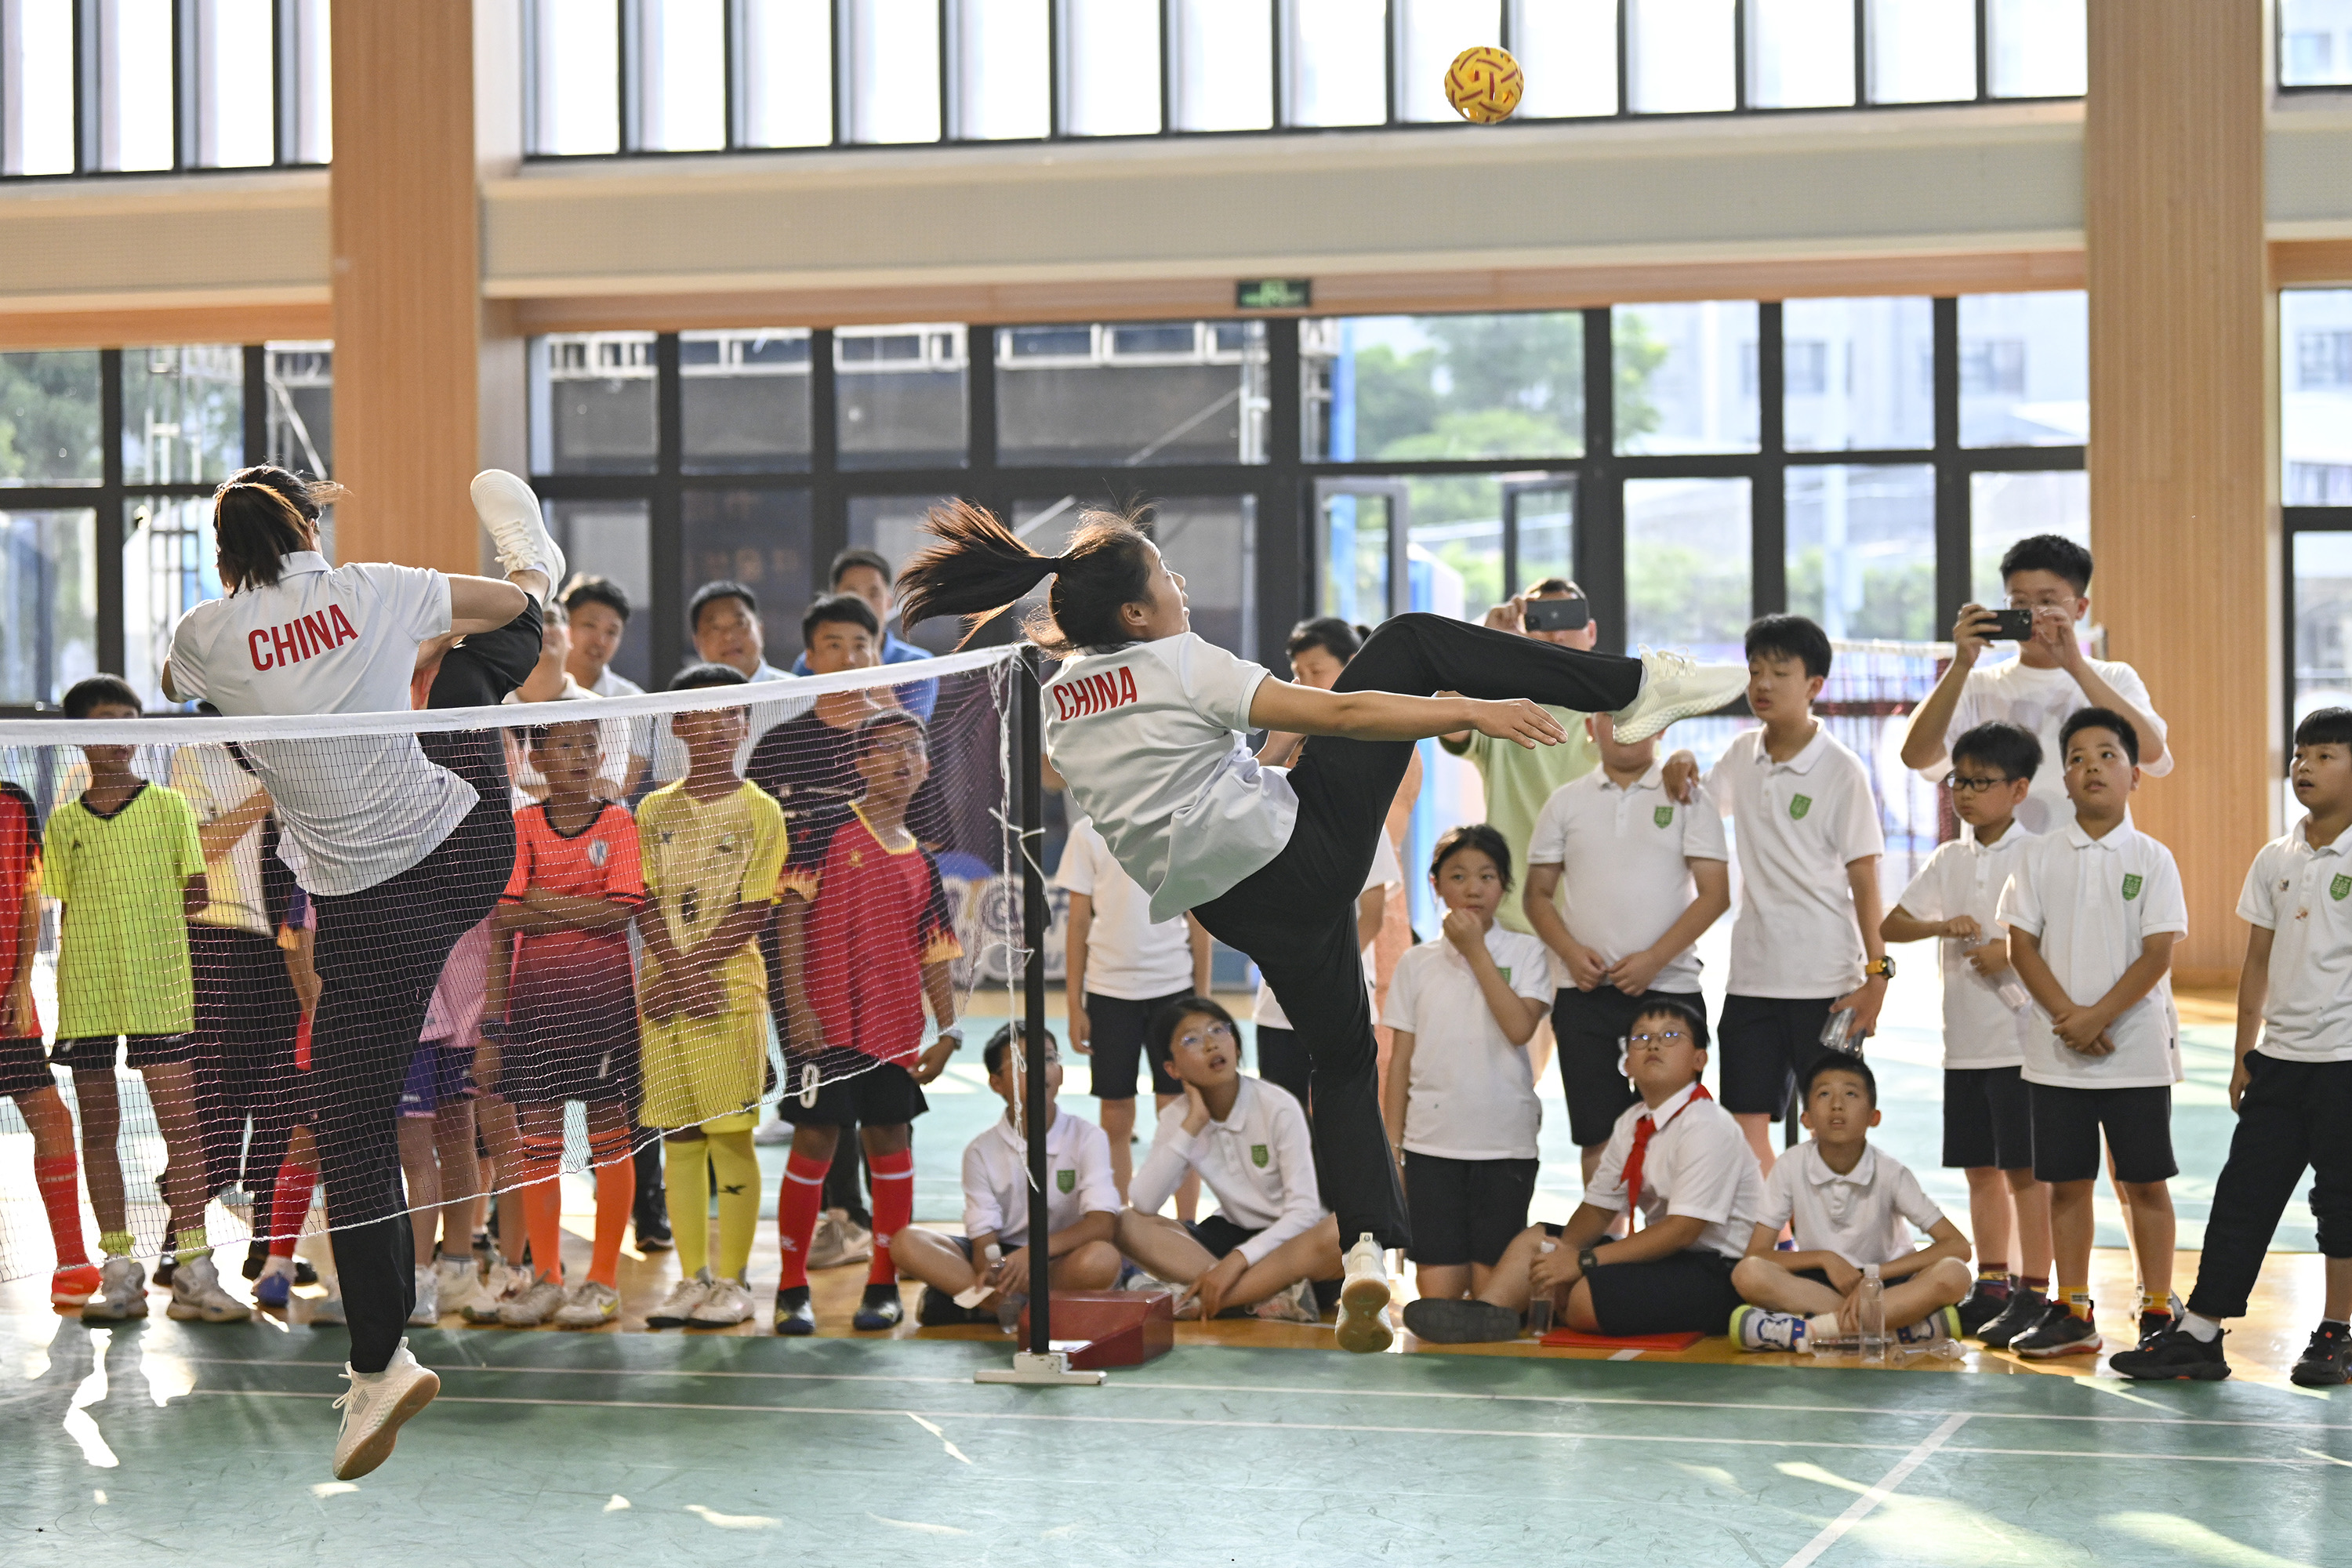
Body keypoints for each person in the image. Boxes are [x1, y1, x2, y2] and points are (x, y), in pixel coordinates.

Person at [894, 500, 1743, 1301]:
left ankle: (1368, 1244)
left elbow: (1187, 781)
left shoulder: (1061, 706)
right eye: (1165, 577)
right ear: (1135, 617)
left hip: (1238, 907)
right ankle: (1635, 687)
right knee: (1408, 640)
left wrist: (1268, 753)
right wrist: (1471, 708)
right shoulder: (1179, 659)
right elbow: (1349, 708)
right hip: (1302, 856)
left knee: (1340, 1058)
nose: (1180, 587)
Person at [162, 462, 561, 1478]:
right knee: (482, 664)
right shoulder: (375, 586)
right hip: (466, 850)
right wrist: (338, 561)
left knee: (350, 1125)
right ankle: (541, 552)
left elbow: (176, 687)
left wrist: (282, 568)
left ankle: (380, 1363)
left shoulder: (203, 633)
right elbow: (507, 616)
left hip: (369, 905)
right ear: (308, 531)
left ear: (222, 557)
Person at [2115, 708, 2352, 1386]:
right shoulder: (2276, 857)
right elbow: (2256, 965)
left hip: (2344, 1064)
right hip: (2279, 1062)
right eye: (2300, 754)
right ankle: (2201, 1331)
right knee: (2242, 1193)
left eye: (2326, 755)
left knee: (2341, 1201)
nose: (2304, 766)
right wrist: (2244, 1053)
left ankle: (2339, 1330)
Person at [48, 676, 244, 1326]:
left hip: (161, 986)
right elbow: (65, 902)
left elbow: (194, 894)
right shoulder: (64, 821)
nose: (121, 735)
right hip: (87, 993)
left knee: (183, 1129)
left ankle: (192, 1267)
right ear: (78, 735)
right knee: (98, 1130)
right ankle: (119, 1271)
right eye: (105, 722)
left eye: (130, 720)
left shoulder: (168, 809)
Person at [748, 593, 938, 1255]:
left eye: (863, 643)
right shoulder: (780, 744)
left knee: (888, 1106)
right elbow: (758, 842)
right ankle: (840, 1218)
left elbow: (928, 846)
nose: (850, 655)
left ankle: (895, 1244)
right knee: (819, 1109)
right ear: (809, 657)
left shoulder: (904, 742)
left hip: (885, 958)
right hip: (801, 946)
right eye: (834, 643)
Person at [1995, 706, 2186, 1359]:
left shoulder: (2153, 859)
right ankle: (2073, 1308)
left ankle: (2158, 1305)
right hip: (2058, 1058)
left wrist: (2097, 1017)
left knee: (2144, 1183)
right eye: (2077, 758)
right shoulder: (2039, 855)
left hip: (2133, 1053)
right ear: (2065, 781)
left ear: (2135, 773)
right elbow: (2021, 946)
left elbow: (2158, 954)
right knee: (2068, 1183)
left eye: (2107, 755)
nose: (2092, 767)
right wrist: (2067, 1020)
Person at [1402, 999, 1764, 1343]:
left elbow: (1682, 1231)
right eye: (1641, 1037)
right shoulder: (1632, 1123)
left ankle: (1548, 1306)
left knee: (1586, 1298)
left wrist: (1582, 1261)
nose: (1654, 1044)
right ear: (1626, 1064)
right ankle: (1488, 1315)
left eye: (1671, 1036)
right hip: (1668, 1261)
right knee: (1537, 1241)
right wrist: (1562, 1254)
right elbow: (1597, 1209)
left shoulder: (1707, 1124)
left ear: (1699, 1059)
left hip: (1717, 1270)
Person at [771, 710, 964, 1335]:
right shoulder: (826, 829)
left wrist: (949, 1032)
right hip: (824, 1027)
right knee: (816, 1141)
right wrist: (796, 1004)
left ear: (927, 768)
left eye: (913, 749)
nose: (902, 760)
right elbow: (791, 917)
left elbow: (937, 954)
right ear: (860, 763)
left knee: (889, 1141)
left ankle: (882, 1283)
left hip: (894, 1030)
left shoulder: (925, 863)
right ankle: (791, 1286)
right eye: (886, 749)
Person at [1880, 720, 2055, 1345]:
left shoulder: (2040, 853)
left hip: (2022, 1043)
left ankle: (2038, 1289)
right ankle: (1995, 1283)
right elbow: (1891, 924)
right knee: (1981, 1170)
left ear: (2019, 789)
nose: (1966, 793)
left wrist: (2011, 949)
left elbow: (2062, 936)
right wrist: (1939, 927)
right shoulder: (1949, 858)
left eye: (1982, 782)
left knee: (2025, 1174)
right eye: (1960, 780)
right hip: (1965, 1046)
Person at [1695, 615, 1890, 1170]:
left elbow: (1866, 883)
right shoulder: (1740, 756)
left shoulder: (1841, 771)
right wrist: (1680, 765)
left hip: (1826, 979)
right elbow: (1695, 811)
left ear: (1814, 686)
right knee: (1744, 1120)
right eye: (1755, 670)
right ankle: (1773, 1240)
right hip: (1753, 977)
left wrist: (1878, 979)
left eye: (1780, 672)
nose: (1762, 684)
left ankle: (1825, 1243)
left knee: (1833, 1121)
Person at [633, 663, 787, 1333]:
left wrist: (694, 974)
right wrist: (672, 974)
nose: (716, 723)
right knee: (680, 1136)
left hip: (730, 991)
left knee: (731, 1138)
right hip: (662, 994)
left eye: (730, 711)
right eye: (701, 712)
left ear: (744, 722)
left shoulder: (762, 811)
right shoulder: (652, 809)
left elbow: (755, 907)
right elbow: (642, 900)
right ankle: (691, 1280)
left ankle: (734, 1280)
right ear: (678, 724)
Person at [482, 719, 645, 1329]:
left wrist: (538, 902)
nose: (579, 755)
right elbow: (503, 926)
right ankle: (547, 1277)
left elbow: (617, 917)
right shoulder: (522, 825)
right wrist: (494, 1026)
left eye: (587, 744)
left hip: (602, 1007)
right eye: (564, 745)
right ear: (538, 757)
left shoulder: (620, 822)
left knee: (610, 1138)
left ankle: (602, 1281)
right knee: (539, 1144)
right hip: (533, 1007)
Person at [1524, 710, 1730, 1185]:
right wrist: (1572, 955)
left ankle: (1668, 1244)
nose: (1623, 727)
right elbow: (1536, 896)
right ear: (1590, 730)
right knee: (1598, 1135)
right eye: (1610, 718)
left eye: (1638, 717)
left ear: (1661, 727)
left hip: (1669, 989)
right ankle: (1605, 1251)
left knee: (1678, 1129)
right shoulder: (1564, 804)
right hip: (1583, 993)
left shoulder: (1688, 797)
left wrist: (1655, 959)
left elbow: (1716, 894)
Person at [1115, 996, 1366, 1337]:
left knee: (1344, 1233)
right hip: (1231, 1237)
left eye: (1219, 1029)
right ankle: (1260, 1299)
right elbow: (1143, 1203)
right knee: (1125, 1222)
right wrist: (1195, 1123)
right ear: (1172, 1069)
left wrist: (1237, 1262)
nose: (1211, 1043)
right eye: (1191, 1039)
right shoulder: (1179, 1117)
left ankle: (1206, 1298)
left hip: (1293, 1245)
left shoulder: (1276, 1105)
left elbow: (1305, 1212)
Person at [1379, 825, 1552, 1305]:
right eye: (1457, 876)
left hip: (1504, 1144)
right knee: (1437, 1299)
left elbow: (1519, 1028)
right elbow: (1400, 1063)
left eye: (1487, 876)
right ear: (1435, 884)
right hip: (1433, 1145)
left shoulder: (1527, 951)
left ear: (1504, 886)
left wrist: (1476, 952)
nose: (1473, 888)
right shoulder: (1416, 963)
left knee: (1493, 1299)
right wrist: (1394, 1149)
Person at [1899, 534, 2171, 837]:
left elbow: (2152, 754)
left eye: (2047, 602)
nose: (2032, 615)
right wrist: (1961, 663)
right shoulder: (1977, 684)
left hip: (2089, 861)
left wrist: (2076, 667)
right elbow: (1915, 756)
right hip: (1999, 866)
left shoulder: (2114, 678)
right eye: (2019, 604)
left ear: (2080, 608)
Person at [1260, 617, 1418, 1087]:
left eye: (1316, 671)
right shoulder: (1295, 742)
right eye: (1296, 672)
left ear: (1352, 667)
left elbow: (1369, 837)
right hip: (1307, 918)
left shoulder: (1390, 740)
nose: (1303, 684)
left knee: (1378, 1071)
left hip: (1371, 904)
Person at [1728, 1054, 1974, 1352]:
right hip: (1821, 1284)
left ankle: (1818, 1330)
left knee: (1954, 1273)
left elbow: (1958, 1246)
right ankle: (1897, 1332)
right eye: (1823, 1094)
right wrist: (1825, 1259)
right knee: (1748, 1273)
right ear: (1806, 1118)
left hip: (1888, 1283)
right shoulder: (1791, 1164)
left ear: (1874, 1117)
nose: (1837, 1104)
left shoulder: (1891, 1172)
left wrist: (1874, 1276)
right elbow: (1757, 1253)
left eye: (1851, 1093)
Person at [897, 1022, 1123, 1326]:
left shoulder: (1088, 1137)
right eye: (1022, 1063)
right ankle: (1008, 1305)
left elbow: (1102, 1225)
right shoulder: (980, 1151)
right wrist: (993, 1266)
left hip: (1060, 1255)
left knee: (1102, 1260)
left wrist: (1034, 1254)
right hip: (1004, 1258)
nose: (1041, 1070)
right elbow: (983, 1238)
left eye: (1049, 1059)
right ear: (996, 1083)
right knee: (905, 1242)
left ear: (1061, 1073)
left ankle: (978, 1306)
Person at [1432, 580, 1608, 938]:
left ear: (1591, 632)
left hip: (1593, 919)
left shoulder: (1612, 714)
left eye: (1569, 619)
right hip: (1514, 920)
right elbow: (1445, 716)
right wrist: (1486, 641)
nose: (1557, 633)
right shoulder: (1502, 710)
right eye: (1543, 621)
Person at [1057, 811, 1212, 1200]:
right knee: (1115, 1115)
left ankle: (1187, 1227)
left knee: (1179, 1113)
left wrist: (1202, 1000)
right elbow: (1077, 922)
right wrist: (1075, 1004)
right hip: (1110, 992)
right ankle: (1122, 1226)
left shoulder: (1178, 826)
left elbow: (1199, 917)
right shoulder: (1087, 833)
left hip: (1173, 989)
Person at [0, 775, 100, 1309]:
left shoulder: (14, 803)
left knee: (53, 1119)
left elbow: (27, 895)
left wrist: (18, 981)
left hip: (7, 1002)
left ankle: (71, 1262)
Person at [651, 579, 802, 782]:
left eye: (740, 624)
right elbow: (667, 786)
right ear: (697, 642)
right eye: (714, 628)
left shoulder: (800, 696)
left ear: (761, 629)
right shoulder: (677, 705)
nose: (729, 636)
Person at [789, 546, 939, 720]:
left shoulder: (919, 666)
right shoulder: (809, 663)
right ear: (835, 600)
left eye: (874, 593)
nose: (863, 603)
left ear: (889, 602)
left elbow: (909, 736)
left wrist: (874, 670)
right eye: (851, 593)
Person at [561, 575, 652, 795]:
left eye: (611, 632)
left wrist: (547, 790)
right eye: (589, 625)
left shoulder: (633, 701)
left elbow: (622, 784)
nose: (600, 640)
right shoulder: (531, 690)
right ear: (565, 625)